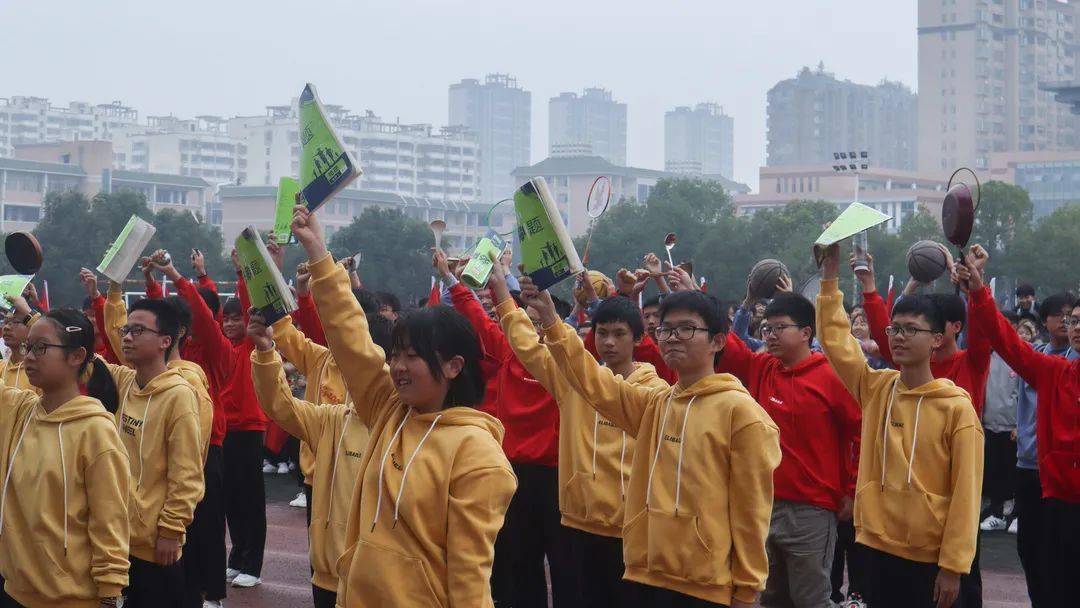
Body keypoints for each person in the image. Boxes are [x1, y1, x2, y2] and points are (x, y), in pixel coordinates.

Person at [291, 204, 517, 606]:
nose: (396, 367)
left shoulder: (478, 453)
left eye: (411, 356)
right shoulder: (388, 410)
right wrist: (318, 254)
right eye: (394, 355)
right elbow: (351, 338)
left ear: (453, 365)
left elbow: (470, 573)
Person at [527, 275, 781, 607]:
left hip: (705, 586)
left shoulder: (742, 414)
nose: (673, 338)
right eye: (666, 329)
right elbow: (590, 381)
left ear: (718, 341)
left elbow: (751, 511)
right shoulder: (654, 405)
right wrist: (551, 321)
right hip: (646, 574)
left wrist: (747, 590)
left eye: (687, 329)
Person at [485, 258, 669, 606]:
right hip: (577, 526)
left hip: (629, 532)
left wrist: (554, 320)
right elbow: (527, 345)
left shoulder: (653, 394)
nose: (609, 343)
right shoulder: (573, 384)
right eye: (602, 333)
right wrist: (500, 292)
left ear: (640, 339)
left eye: (619, 334)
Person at [816, 243, 982, 608]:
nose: (900, 337)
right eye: (895, 329)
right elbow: (836, 342)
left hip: (930, 557)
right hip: (875, 546)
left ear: (937, 340)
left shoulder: (957, 409)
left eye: (912, 330)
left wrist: (953, 566)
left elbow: (966, 495)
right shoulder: (877, 388)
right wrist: (830, 277)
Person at [716, 290, 861, 608]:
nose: (770, 335)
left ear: (806, 332)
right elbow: (727, 349)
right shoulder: (763, 366)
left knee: (811, 599)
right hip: (763, 504)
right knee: (770, 597)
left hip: (812, 509)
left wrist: (851, 489)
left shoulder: (831, 376)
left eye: (779, 327)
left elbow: (861, 433)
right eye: (766, 328)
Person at [439, 259, 571, 606]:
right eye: (522, 319)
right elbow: (478, 316)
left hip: (558, 479)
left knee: (566, 569)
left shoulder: (568, 365)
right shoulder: (509, 351)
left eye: (537, 320)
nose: (528, 326)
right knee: (514, 564)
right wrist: (452, 279)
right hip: (511, 474)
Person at [957, 250, 1079, 608]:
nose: (1077, 328)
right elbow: (1005, 340)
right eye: (1074, 321)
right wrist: (978, 290)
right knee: (1043, 572)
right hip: (1053, 498)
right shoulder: (1054, 371)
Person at [93, 265, 219, 608]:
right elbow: (80, 356)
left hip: (155, 542)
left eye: (138, 331)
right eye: (126, 330)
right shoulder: (127, 381)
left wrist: (171, 531)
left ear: (167, 340)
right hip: (120, 536)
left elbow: (187, 473)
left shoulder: (181, 394)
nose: (127, 337)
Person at [0, 303, 129, 608]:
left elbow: (109, 520)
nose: (29, 356)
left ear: (76, 356)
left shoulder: (95, 431)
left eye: (41, 348)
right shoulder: (20, 412)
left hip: (71, 598)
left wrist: (111, 592)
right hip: (14, 591)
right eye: (28, 346)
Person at [247, 312, 373, 608]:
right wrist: (266, 351)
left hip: (371, 576)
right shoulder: (332, 411)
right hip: (317, 483)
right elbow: (281, 405)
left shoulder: (395, 421)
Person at [978, 310, 1020, 533]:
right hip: (989, 425)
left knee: (1011, 472)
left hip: (1012, 427)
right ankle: (996, 512)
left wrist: (1019, 425)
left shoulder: (1019, 355)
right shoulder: (987, 354)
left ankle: (1012, 514)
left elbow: (1026, 396)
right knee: (993, 471)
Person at [0, 297, 39, 393]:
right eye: (6, 322)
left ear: (31, 327)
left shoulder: (39, 371)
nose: (6, 327)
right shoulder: (1, 367)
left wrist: (28, 312)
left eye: (15, 322)